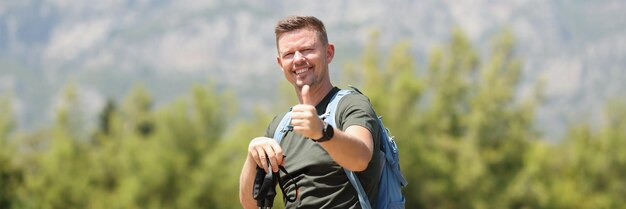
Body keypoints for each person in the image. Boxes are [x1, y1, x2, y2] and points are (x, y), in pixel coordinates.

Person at [239, 15, 383, 209]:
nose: (298, 59)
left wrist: (322, 131)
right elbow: (251, 205)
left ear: (328, 52)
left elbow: (360, 158)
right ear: (280, 63)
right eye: (289, 54)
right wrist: (251, 156)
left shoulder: (351, 104)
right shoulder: (280, 128)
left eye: (307, 50)